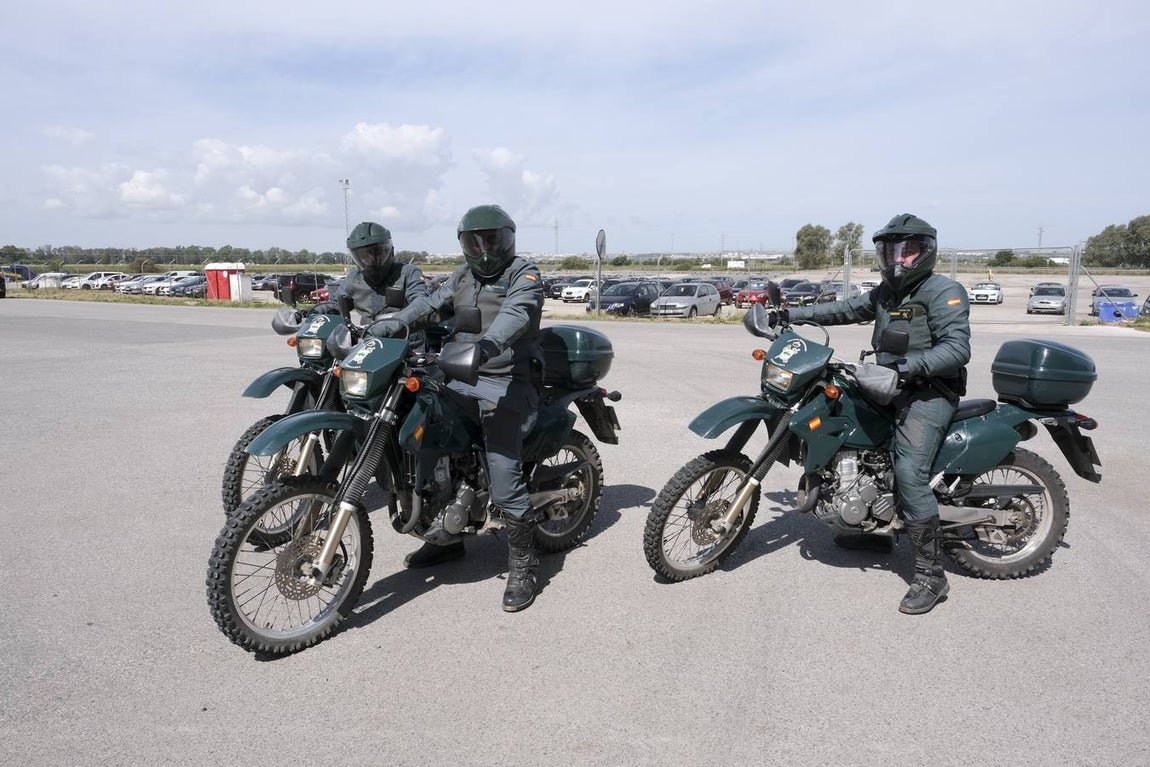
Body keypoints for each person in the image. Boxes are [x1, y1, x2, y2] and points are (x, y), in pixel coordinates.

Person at [766, 213, 971, 615]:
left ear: (926, 253)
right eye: (890, 251)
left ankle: (931, 575)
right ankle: (870, 524)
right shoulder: (886, 295)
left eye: (907, 251)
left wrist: (910, 367)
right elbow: (844, 310)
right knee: (850, 435)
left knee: (910, 469)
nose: (898, 260)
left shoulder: (943, 291)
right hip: (884, 384)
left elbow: (957, 348)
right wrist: (794, 316)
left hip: (928, 392)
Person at [368, 204, 545, 612]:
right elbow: (430, 304)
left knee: (503, 469)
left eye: (491, 240)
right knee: (422, 432)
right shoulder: (464, 274)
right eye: (474, 241)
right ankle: (444, 538)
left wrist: (486, 347)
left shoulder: (524, 273)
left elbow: (516, 315)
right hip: (456, 370)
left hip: (506, 376)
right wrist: (390, 324)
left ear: (508, 238)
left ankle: (523, 565)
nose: (484, 249)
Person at [309, 221, 428, 324]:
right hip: (368, 338)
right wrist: (311, 312)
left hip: (407, 340)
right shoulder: (355, 278)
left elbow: (420, 302)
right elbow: (335, 304)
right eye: (364, 255)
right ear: (356, 257)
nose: (372, 260)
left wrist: (399, 318)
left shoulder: (408, 273)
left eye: (378, 253)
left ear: (389, 250)